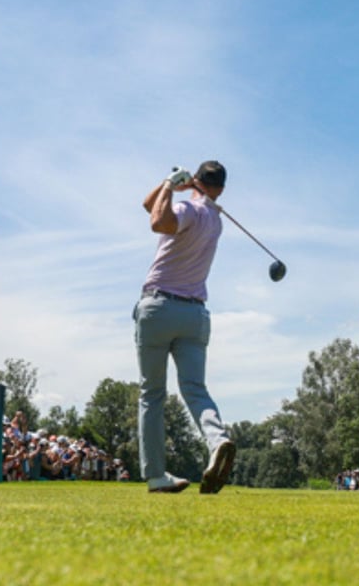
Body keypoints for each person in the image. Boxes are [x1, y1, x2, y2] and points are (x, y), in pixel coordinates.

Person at [135, 161, 235, 494]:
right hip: (195, 316)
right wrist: (169, 189)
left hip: (160, 307)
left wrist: (168, 183)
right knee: (195, 389)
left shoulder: (187, 210)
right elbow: (150, 206)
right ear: (220, 188)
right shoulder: (216, 220)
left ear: (196, 180)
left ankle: (155, 476)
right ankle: (217, 440)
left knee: (152, 394)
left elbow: (157, 221)